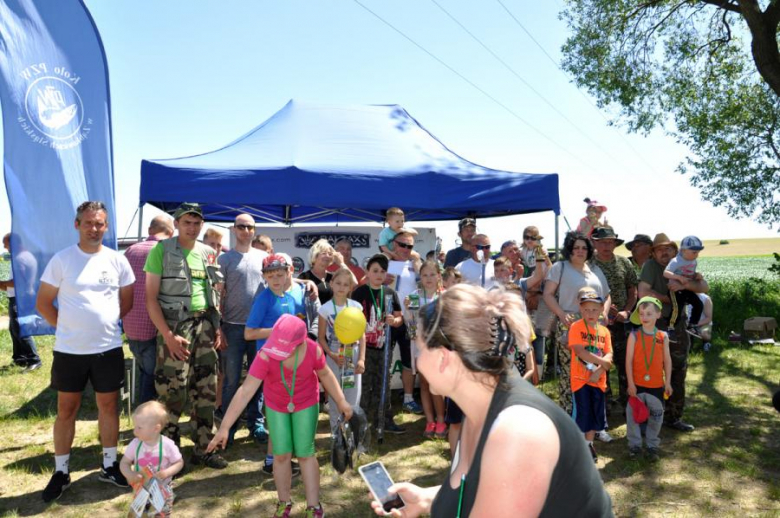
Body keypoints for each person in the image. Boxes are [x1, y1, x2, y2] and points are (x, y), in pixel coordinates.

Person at [370, 284, 613, 517]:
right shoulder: (483, 404)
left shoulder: (517, 432)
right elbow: (489, 486)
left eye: (421, 348)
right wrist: (429, 498)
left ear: (444, 358)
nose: (418, 361)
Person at [36, 201, 135, 502]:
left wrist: (101, 326)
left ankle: (108, 465)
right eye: (89, 222)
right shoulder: (62, 260)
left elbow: (126, 304)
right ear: (76, 224)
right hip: (69, 351)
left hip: (107, 348)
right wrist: (67, 328)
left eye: (100, 223)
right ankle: (61, 471)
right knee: (67, 410)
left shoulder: (117, 261)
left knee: (108, 407)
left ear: (106, 226)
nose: (94, 228)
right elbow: (43, 303)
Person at [208, 314, 353, 518]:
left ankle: (314, 506)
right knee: (281, 454)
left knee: (305, 452)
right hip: (276, 405)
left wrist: (341, 401)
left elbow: (326, 374)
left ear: (300, 342)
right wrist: (224, 427)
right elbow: (245, 391)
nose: (279, 351)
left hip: (305, 403)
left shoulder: (312, 349)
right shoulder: (265, 355)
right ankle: (284, 502)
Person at [144, 202, 228, 469]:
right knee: (172, 392)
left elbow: (213, 293)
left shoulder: (208, 253)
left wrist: (216, 326)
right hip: (176, 329)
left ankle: (204, 448)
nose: (192, 228)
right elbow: (149, 299)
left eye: (196, 223)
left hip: (204, 326)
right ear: (177, 224)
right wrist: (167, 335)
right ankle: (169, 455)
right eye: (186, 223)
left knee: (205, 389)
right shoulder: (162, 251)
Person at [246, 253, 320, 475]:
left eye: (280, 274)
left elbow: (310, 312)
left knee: (293, 411)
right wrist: (281, 332)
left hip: (296, 363)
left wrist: (309, 282)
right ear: (264, 277)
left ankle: (285, 456)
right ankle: (272, 460)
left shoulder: (299, 290)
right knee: (277, 412)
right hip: (272, 364)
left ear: (290, 272)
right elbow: (248, 333)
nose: (276, 279)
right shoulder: (264, 298)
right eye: (270, 276)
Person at [638, 233, 707, 433]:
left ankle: (674, 416)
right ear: (653, 253)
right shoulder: (650, 267)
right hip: (656, 324)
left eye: (668, 248)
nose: (664, 252)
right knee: (651, 370)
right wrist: (670, 299)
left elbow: (704, 287)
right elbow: (643, 292)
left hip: (678, 325)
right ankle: (648, 418)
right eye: (660, 249)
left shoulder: (683, 264)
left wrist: (685, 284)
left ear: (674, 251)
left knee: (678, 370)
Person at [542, 232, 611, 415]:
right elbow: (547, 294)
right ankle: (569, 416)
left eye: (584, 248)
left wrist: (604, 312)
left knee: (596, 369)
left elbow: (606, 295)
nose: (580, 251)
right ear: (569, 250)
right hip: (570, 324)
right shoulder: (560, 267)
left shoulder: (595, 270)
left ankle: (592, 419)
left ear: (589, 250)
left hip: (595, 326)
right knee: (572, 371)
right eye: (576, 248)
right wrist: (561, 314)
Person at [217, 213, 269, 446]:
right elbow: (217, 295)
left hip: (258, 329)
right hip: (232, 328)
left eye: (250, 227)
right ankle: (228, 427)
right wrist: (219, 327)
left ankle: (256, 423)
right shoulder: (224, 260)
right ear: (234, 229)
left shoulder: (264, 258)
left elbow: (281, 280)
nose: (245, 231)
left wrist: (306, 283)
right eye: (241, 227)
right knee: (231, 380)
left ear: (254, 230)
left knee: (257, 379)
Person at [350, 254, 405, 434]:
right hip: (365, 349)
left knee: (384, 384)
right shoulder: (359, 293)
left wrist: (395, 321)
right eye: (375, 271)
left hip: (384, 347)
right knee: (365, 386)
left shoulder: (390, 292)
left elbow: (399, 316)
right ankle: (362, 423)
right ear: (367, 272)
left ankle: (384, 420)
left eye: (382, 271)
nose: (379, 275)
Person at [124, 216, 174, 404]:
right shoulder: (165, 250)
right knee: (153, 375)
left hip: (131, 323)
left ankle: (143, 410)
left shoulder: (130, 250)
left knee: (144, 370)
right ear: (171, 232)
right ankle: (146, 413)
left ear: (149, 229)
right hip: (154, 324)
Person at [590, 226, 637, 417]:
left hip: (621, 322)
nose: (606, 245)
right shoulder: (589, 264)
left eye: (609, 242)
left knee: (625, 361)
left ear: (615, 243)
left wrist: (627, 311)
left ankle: (628, 400)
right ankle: (605, 401)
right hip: (598, 321)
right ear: (595, 243)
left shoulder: (624, 263)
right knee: (601, 361)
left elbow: (633, 289)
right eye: (602, 242)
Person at [317, 266, 366, 434]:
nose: (341, 287)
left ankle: (354, 440)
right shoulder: (325, 309)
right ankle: (336, 439)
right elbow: (321, 337)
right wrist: (331, 355)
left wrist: (361, 359)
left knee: (353, 398)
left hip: (352, 353)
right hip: (334, 354)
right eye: (338, 283)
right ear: (331, 284)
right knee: (335, 397)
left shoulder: (356, 307)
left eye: (346, 284)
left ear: (351, 287)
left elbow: (362, 336)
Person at [568, 288, 613, 463]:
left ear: (602, 309)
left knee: (595, 415)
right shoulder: (576, 327)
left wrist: (600, 370)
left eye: (594, 309)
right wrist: (602, 364)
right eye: (586, 309)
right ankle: (579, 447)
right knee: (583, 414)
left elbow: (609, 356)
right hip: (580, 381)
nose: (590, 313)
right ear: (580, 310)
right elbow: (580, 351)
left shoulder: (605, 332)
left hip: (598, 381)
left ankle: (589, 444)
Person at [625, 296, 673, 462]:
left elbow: (667, 361)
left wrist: (667, 382)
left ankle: (652, 445)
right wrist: (630, 383)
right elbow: (628, 361)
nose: (645, 317)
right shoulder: (634, 336)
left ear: (658, 315)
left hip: (656, 385)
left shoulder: (663, 337)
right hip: (637, 385)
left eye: (649, 313)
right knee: (633, 417)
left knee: (656, 417)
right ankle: (635, 446)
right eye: (642, 313)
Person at [404, 260, 446, 439]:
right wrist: (406, 308)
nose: (428, 278)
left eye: (432, 274)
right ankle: (430, 421)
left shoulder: (445, 296)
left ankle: (442, 420)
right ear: (419, 277)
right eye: (424, 275)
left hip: (439, 348)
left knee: (438, 385)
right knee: (424, 384)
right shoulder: (414, 295)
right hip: (420, 347)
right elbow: (409, 321)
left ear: (438, 276)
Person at [119, 401, 184, 517]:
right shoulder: (135, 444)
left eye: (139, 428)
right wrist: (130, 474)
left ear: (156, 428)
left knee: (160, 515)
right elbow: (124, 463)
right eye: (135, 427)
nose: (135, 431)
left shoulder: (167, 445)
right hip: (140, 491)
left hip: (162, 492)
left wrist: (167, 472)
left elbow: (179, 462)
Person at [386, 230, 423, 415]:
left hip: (410, 320)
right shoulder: (384, 262)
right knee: (384, 359)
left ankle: (409, 398)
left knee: (409, 360)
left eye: (410, 246)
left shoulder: (416, 265)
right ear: (394, 244)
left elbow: (426, 286)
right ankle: (381, 398)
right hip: (389, 319)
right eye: (402, 245)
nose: (405, 249)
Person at [1, 232, 41, 371]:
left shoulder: (20, 258)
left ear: (13, 243)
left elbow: (17, 282)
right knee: (14, 329)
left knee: (21, 329)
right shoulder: (25, 256)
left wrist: (2, 283)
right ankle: (20, 358)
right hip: (21, 297)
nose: (6, 249)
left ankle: (33, 359)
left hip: (20, 299)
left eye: (6, 245)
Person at [663, 235, 705, 336]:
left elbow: (690, 274)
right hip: (675, 290)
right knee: (677, 308)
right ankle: (670, 328)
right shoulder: (676, 261)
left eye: (698, 252)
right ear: (684, 250)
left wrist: (697, 275)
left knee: (699, 304)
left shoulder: (693, 261)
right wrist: (678, 277)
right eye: (694, 252)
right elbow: (666, 273)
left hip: (686, 288)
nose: (697, 255)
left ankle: (692, 325)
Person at [298, 238, 335, 305]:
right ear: (315, 255)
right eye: (324, 253)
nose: (327, 256)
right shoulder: (305, 276)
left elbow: (353, 284)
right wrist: (308, 281)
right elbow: (289, 282)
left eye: (330, 254)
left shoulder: (333, 277)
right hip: (313, 314)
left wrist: (341, 263)